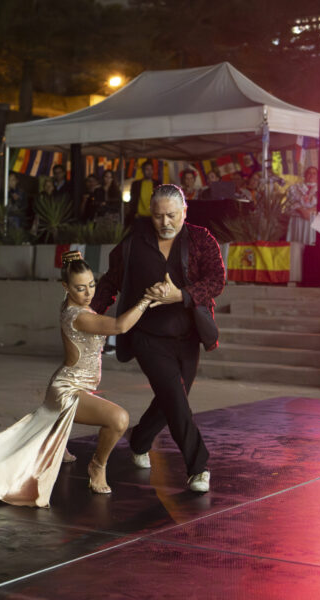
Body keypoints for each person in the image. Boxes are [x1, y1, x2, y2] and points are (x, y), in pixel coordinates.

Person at [0, 250, 159, 506]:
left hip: (71, 383)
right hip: (67, 390)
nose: (88, 293)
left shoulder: (71, 305)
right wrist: (145, 300)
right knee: (119, 419)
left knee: (87, 417)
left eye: (92, 285)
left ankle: (56, 443)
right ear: (65, 287)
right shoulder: (80, 317)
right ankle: (97, 466)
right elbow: (120, 326)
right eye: (80, 288)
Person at [91, 184, 226, 494]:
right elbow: (111, 280)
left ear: (184, 212)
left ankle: (139, 440)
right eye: (157, 216)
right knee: (175, 399)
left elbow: (217, 279)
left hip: (187, 334)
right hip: (147, 335)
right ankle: (198, 467)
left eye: (171, 216)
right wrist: (87, 316)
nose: (165, 223)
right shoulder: (135, 242)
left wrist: (181, 295)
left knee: (171, 401)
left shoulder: (201, 238)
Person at [286, 166, 318, 245]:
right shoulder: (294, 187)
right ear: (305, 174)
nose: (311, 175)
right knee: (298, 244)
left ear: (318, 176)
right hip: (298, 219)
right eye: (309, 173)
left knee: (312, 244)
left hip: (314, 220)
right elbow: (290, 202)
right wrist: (302, 210)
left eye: (314, 173)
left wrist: (309, 211)